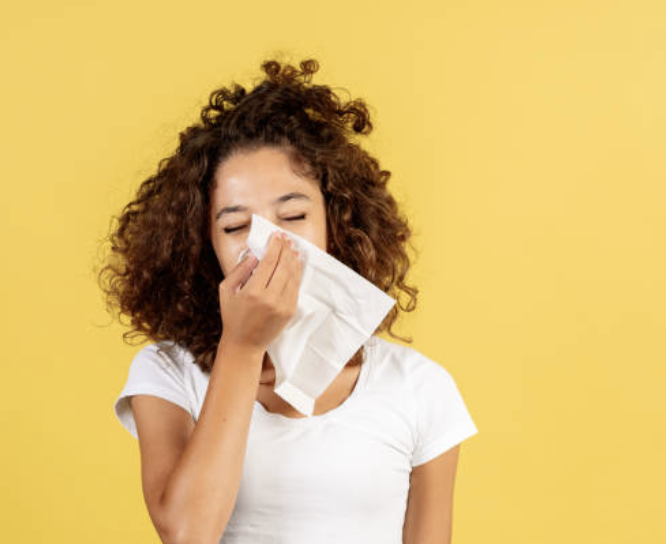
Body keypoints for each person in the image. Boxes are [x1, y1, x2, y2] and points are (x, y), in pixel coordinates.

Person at [98, 58, 479, 544]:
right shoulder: (168, 375)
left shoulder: (420, 388)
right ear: (202, 247)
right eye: (237, 227)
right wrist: (242, 344)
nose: (269, 244)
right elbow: (187, 533)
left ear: (336, 225)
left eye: (293, 215)